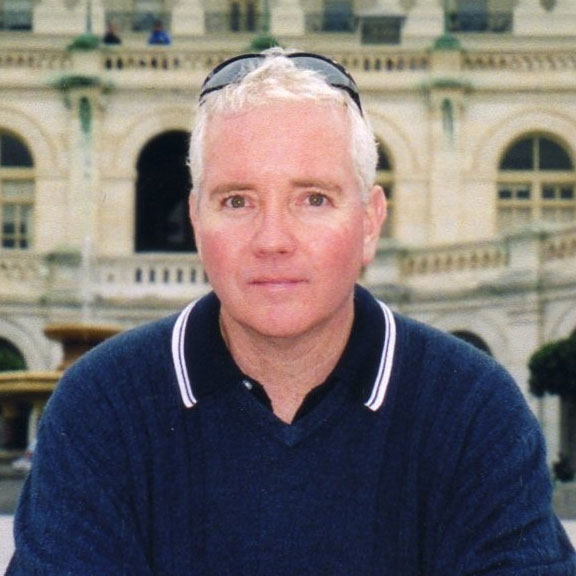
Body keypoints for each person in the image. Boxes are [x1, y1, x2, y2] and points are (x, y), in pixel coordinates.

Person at [7, 48, 576, 575]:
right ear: (197, 221)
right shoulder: (100, 405)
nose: (273, 240)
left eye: (314, 199)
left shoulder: (474, 409)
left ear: (370, 222)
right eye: (237, 200)